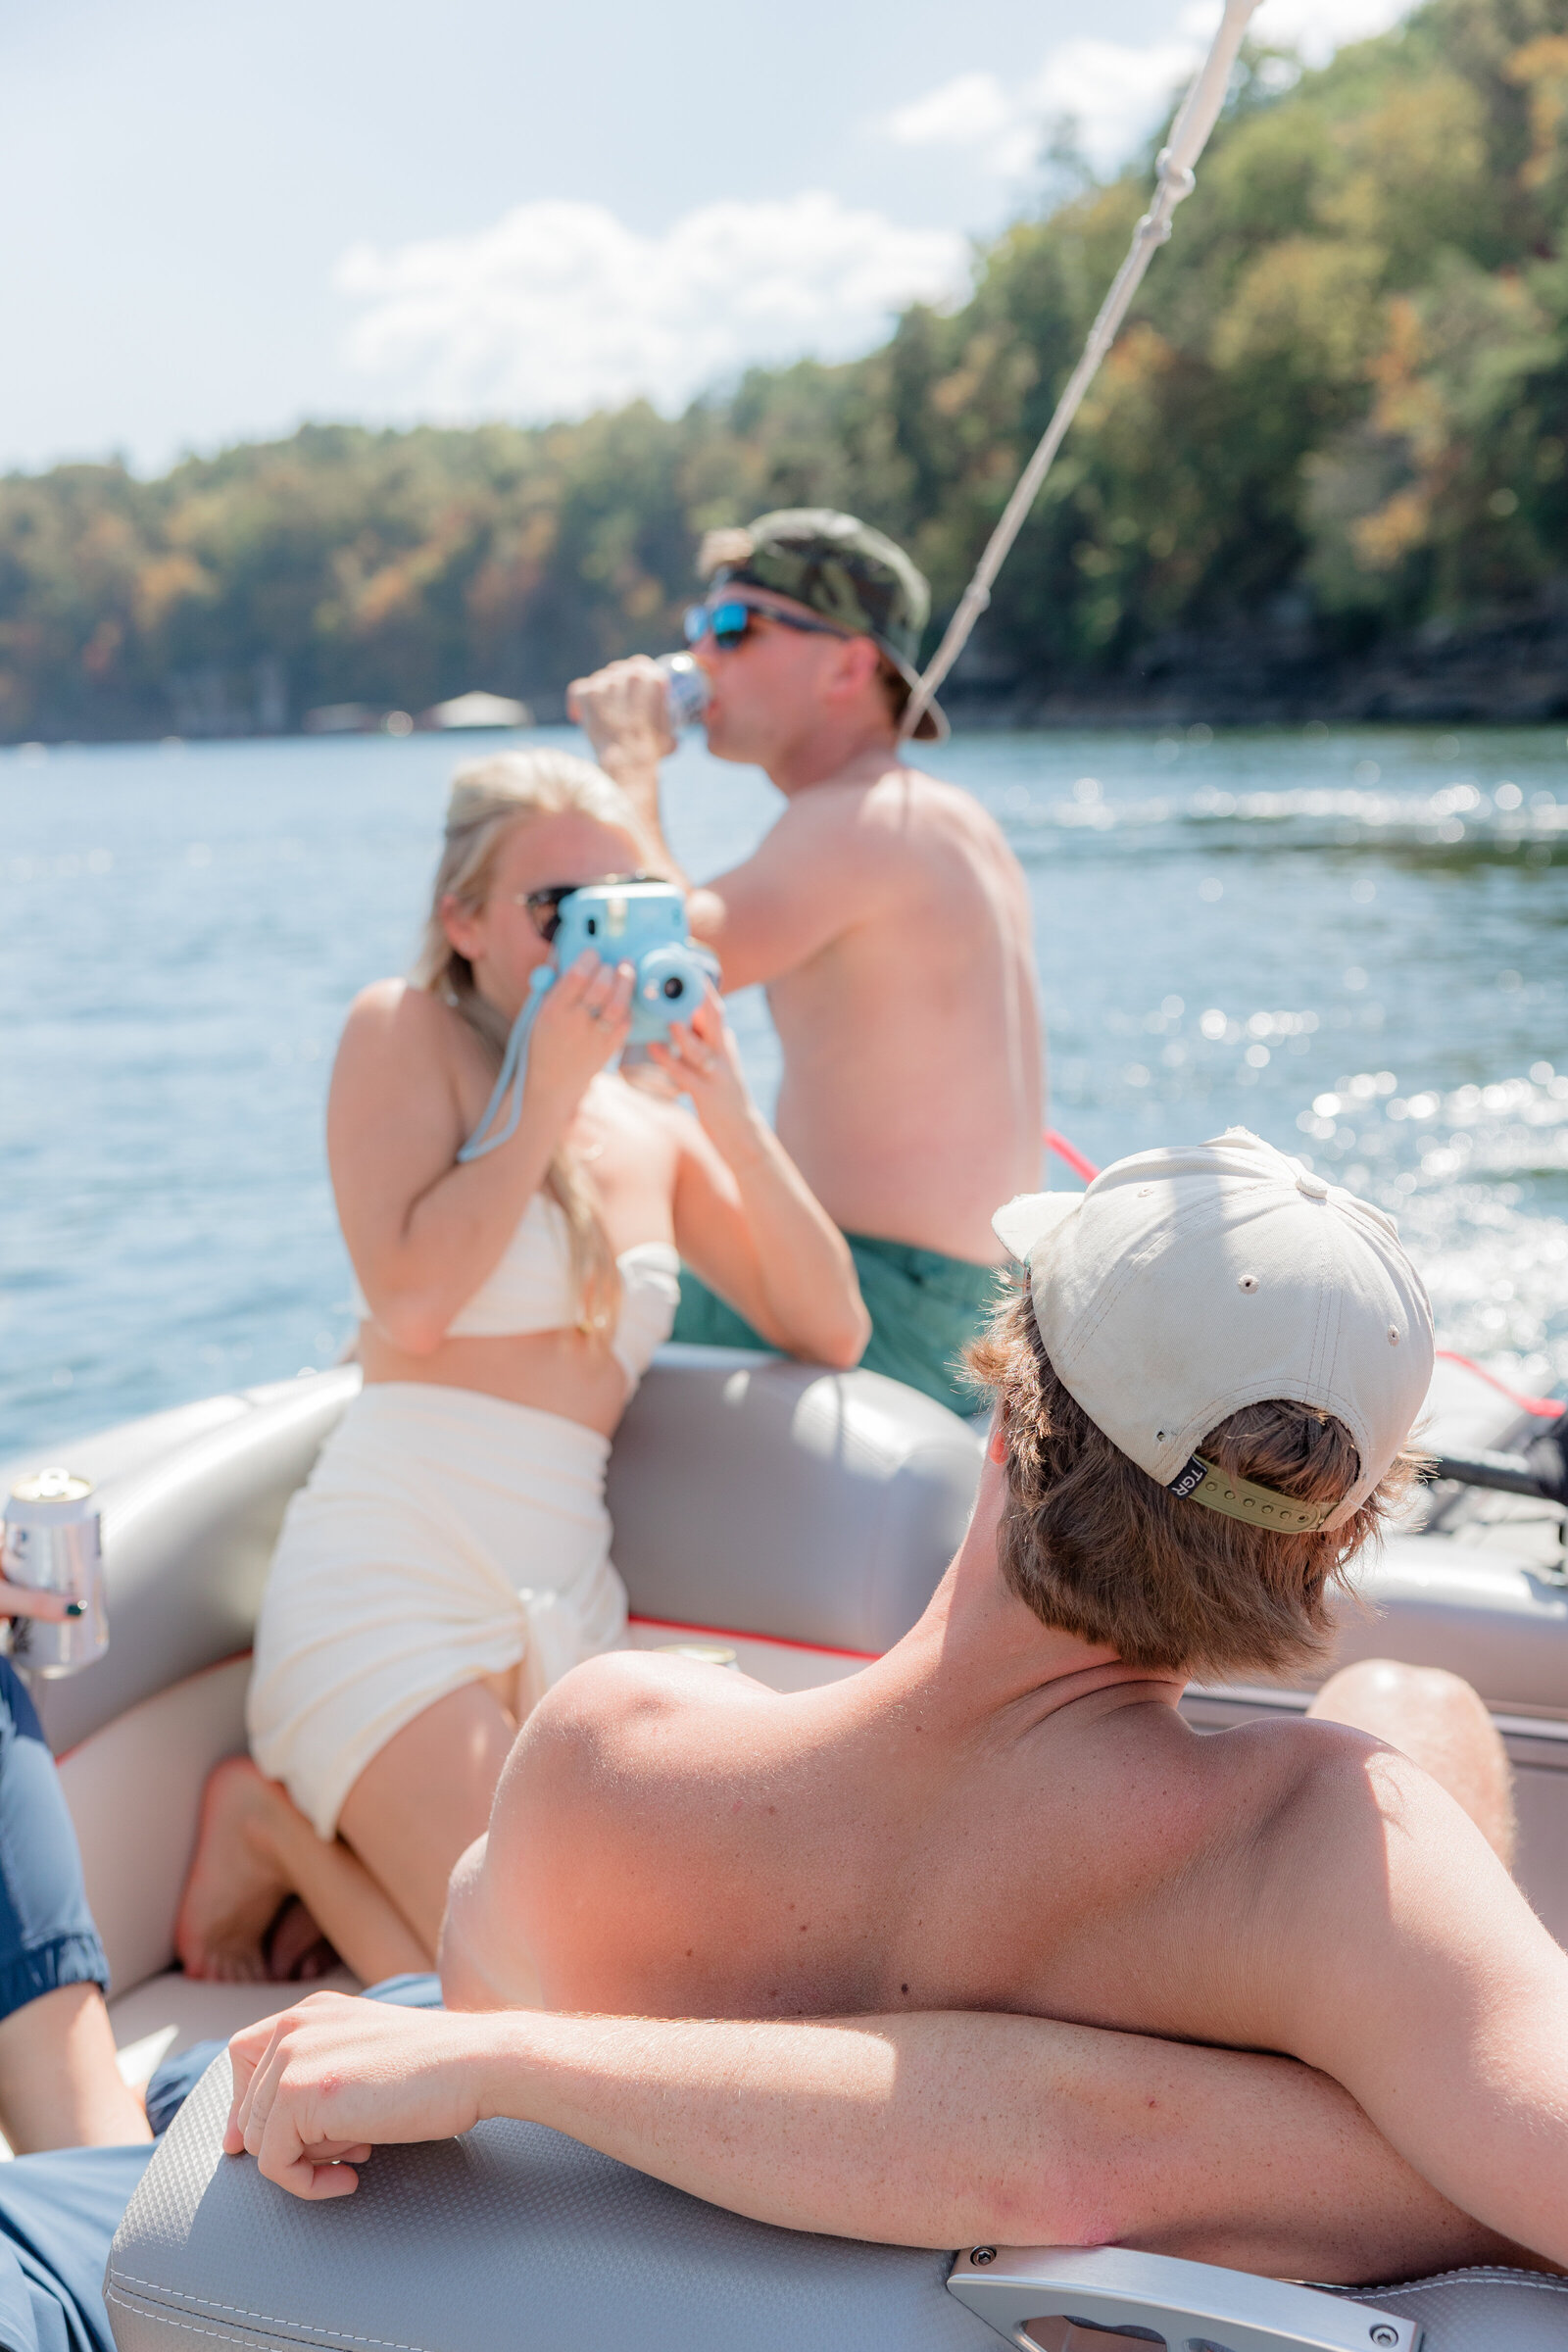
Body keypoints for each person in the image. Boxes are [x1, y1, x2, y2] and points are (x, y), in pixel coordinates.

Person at [223, 1134, 1568, 2280]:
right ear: (1325, 1551)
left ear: (1003, 1404)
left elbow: (477, 1998)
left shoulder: (607, 1757)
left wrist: (525, 2060)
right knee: (1417, 1711)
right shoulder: (1321, 1861)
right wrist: (1373, 2135)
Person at [175, 749, 867, 1988]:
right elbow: (416, 1303)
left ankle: (290, 1845)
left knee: (647, 1976)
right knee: (548, 1988)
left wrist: (726, 1107)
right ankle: (272, 1822)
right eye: (561, 910)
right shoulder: (403, 1034)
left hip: (563, 1606)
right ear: (465, 921)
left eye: (627, 902)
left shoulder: (650, 1123)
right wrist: (540, 1094)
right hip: (391, 1580)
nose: (594, 941)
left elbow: (832, 1327)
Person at [567, 508, 1043, 1418]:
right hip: (970, 1301)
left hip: (888, 1307)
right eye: (698, 629)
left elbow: (659, 964)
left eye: (737, 628)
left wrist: (629, 765)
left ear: (851, 665)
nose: (704, 656)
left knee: (533, 1276)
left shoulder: (861, 823)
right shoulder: (928, 813)